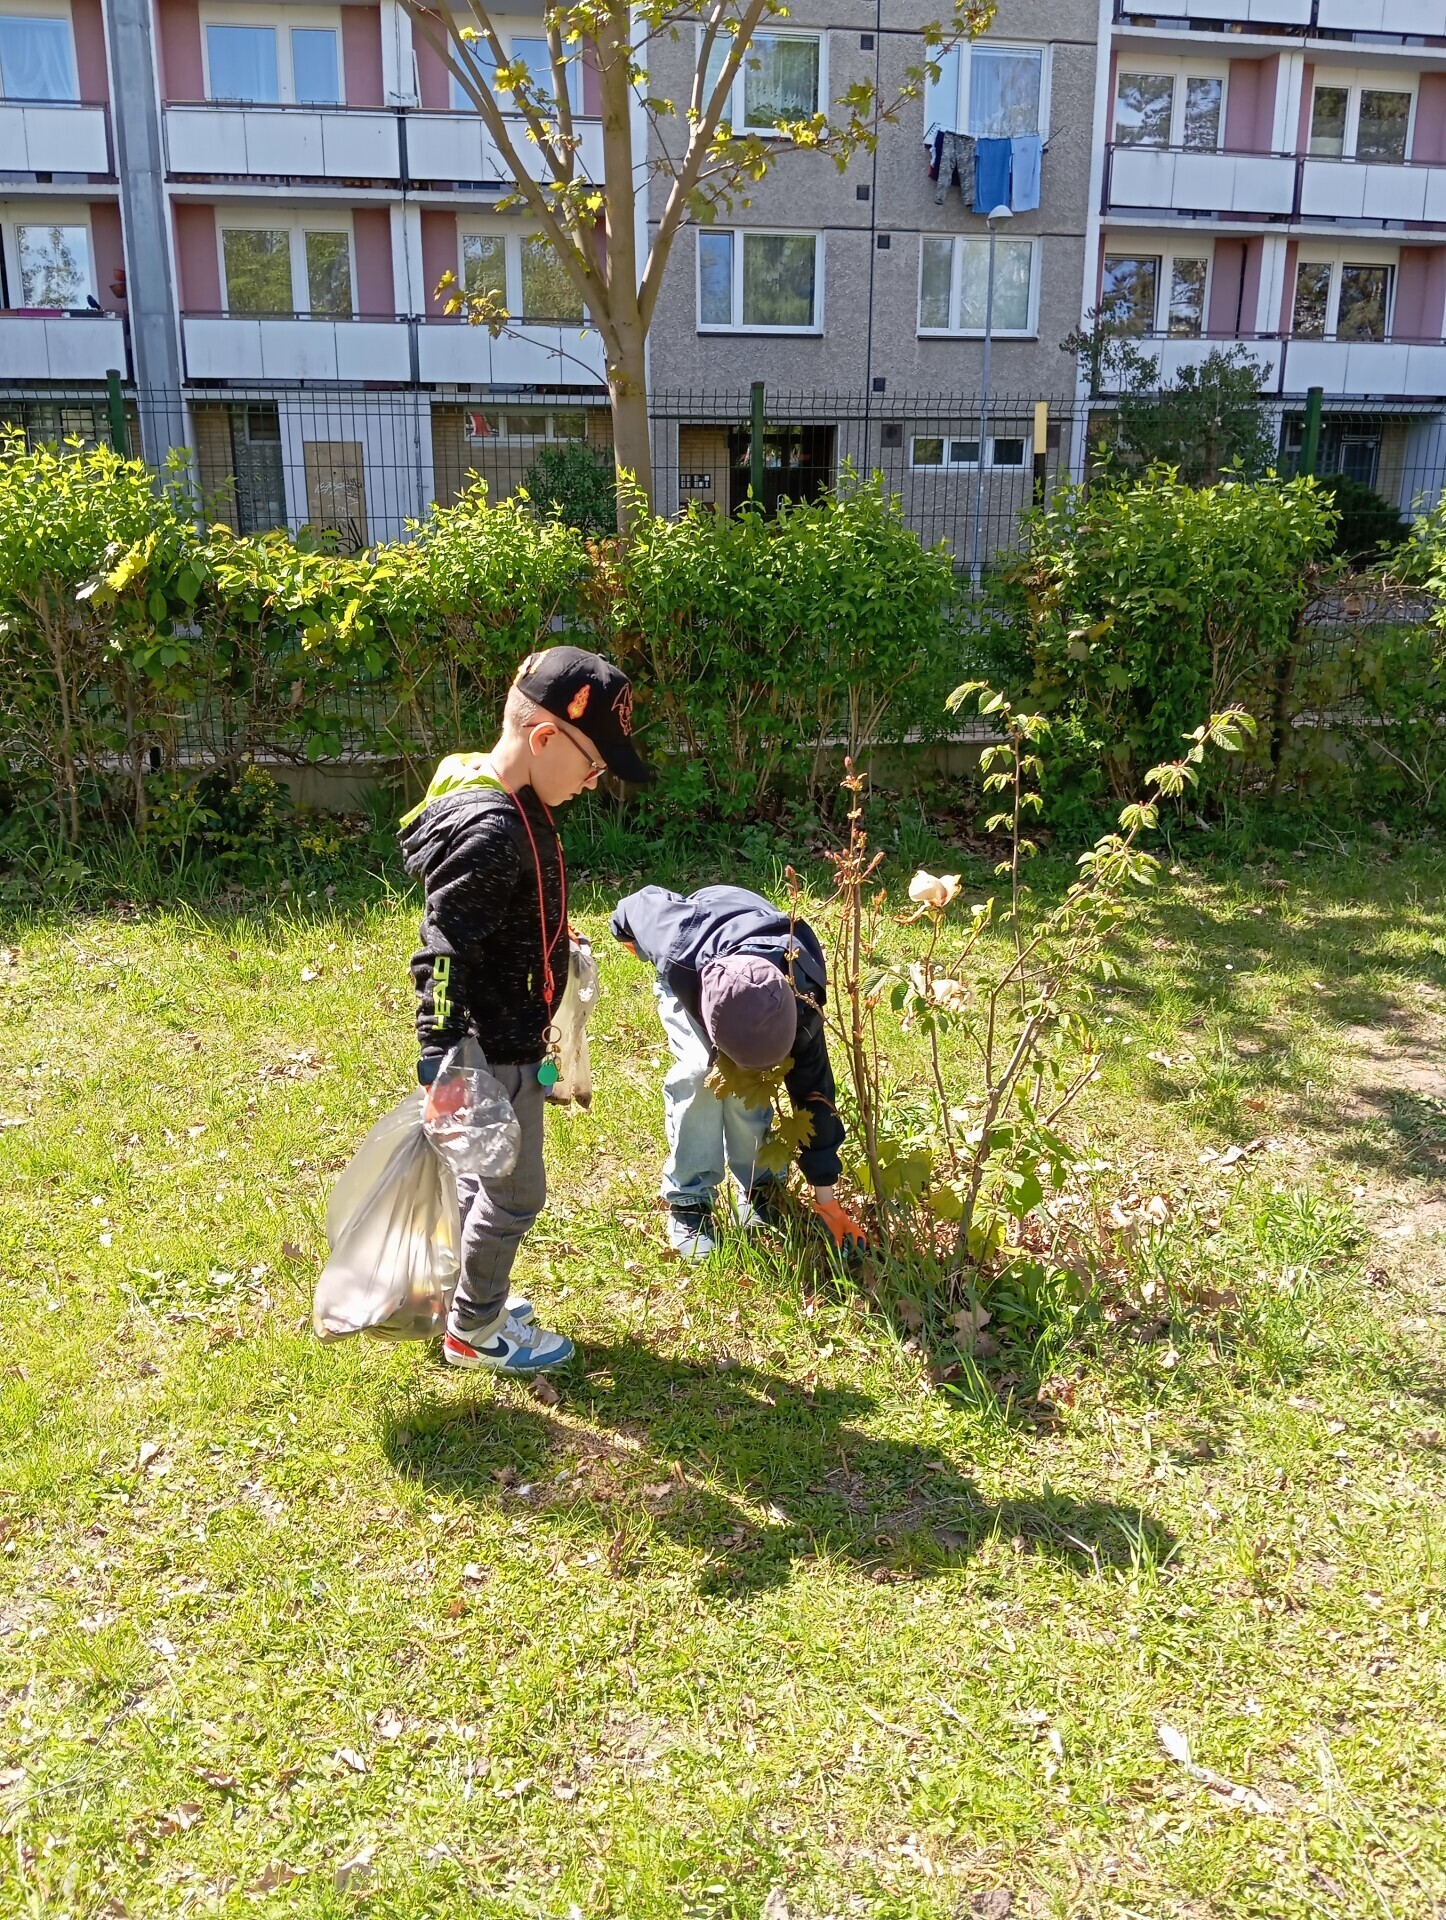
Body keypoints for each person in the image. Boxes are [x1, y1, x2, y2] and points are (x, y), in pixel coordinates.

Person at [400, 646, 652, 1375]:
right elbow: (445, 946)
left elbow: (503, 909)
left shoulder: (518, 801)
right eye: (592, 765)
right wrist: (440, 1054)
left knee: (481, 1178)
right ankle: (475, 1328)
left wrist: (549, 939)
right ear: (544, 737)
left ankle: (471, 1292)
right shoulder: (492, 830)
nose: (594, 782)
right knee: (514, 1195)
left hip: (503, 1036)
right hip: (495, 1051)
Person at [610, 883, 869, 1261]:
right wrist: (629, 939)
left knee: (749, 1087)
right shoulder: (676, 941)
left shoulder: (802, 992)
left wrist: (826, 1200)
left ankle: (758, 1182)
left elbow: (815, 1092)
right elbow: (633, 906)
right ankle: (689, 1199)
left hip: (755, 942)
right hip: (695, 967)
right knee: (700, 1074)